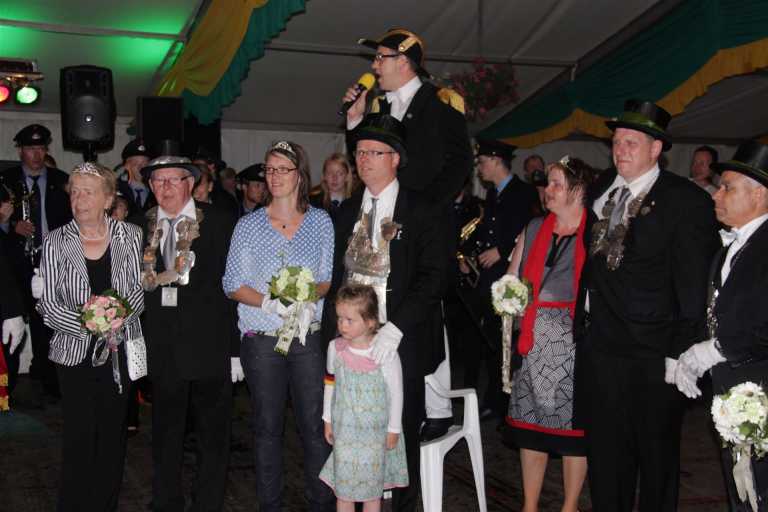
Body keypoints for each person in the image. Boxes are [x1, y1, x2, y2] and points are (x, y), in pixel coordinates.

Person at [576, 99, 720, 511]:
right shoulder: (603, 188)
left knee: (655, 460)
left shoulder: (684, 201)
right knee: (606, 458)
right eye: (616, 142)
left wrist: (680, 354)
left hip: (653, 353)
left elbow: (694, 285)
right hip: (602, 348)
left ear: (656, 149)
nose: (620, 150)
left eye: (631, 143)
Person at [344, 28, 473, 441]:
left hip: (422, 222)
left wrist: (427, 207)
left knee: (425, 307)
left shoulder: (440, 104)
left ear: (404, 62)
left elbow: (460, 162)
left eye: (380, 58)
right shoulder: (379, 104)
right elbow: (367, 153)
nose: (374, 66)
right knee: (386, 294)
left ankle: (437, 405)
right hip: (384, 218)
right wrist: (354, 120)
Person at [322, 114, 445, 512]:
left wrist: (397, 328)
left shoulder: (422, 209)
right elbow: (335, 277)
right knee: (349, 433)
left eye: (375, 152)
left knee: (401, 435)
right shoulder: (345, 212)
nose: (365, 159)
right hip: (351, 341)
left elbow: (435, 277)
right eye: (360, 152)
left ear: (396, 159)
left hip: (401, 339)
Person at [223, 140, 335, 512]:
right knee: (267, 428)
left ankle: (320, 503)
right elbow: (232, 284)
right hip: (261, 340)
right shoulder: (248, 225)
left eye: (282, 169)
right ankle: (270, 505)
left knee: (314, 426)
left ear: (299, 175)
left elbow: (326, 278)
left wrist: (305, 298)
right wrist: (270, 301)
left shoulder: (320, 222)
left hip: (306, 336)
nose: (274, 177)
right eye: (269, 169)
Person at [36, 162, 145, 511]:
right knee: (79, 437)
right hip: (74, 355)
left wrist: (116, 316)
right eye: (75, 192)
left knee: (113, 436)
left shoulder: (131, 236)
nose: (79, 199)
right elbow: (48, 305)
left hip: (119, 351)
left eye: (88, 192)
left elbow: (137, 293)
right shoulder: (55, 241)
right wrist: (90, 323)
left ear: (108, 199)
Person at [140, 141, 240, 512]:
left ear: (191, 183)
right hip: (163, 348)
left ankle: (208, 504)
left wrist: (235, 350)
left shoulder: (220, 222)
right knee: (165, 435)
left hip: (210, 348)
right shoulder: (140, 225)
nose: (165, 187)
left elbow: (234, 287)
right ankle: (165, 501)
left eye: (173, 180)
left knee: (213, 437)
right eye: (158, 181)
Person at [672, 140, 768, 511]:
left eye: (727, 187)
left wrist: (717, 349)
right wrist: (686, 355)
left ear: (758, 195)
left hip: (761, 389)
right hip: (730, 395)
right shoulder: (727, 247)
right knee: (741, 491)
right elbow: (717, 314)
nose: (716, 195)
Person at [505, 156, 595, 512]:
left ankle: (570, 506)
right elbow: (511, 278)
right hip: (532, 340)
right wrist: (507, 296)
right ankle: (529, 505)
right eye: (548, 183)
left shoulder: (595, 232)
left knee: (575, 433)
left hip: (575, 343)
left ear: (579, 189)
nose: (548, 190)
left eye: (557, 184)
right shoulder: (534, 227)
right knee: (531, 430)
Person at [465, 139, 538, 420]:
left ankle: (505, 403)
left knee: (507, 343)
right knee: (492, 343)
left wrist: (502, 249)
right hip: (491, 279)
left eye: (483, 162)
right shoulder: (493, 194)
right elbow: (489, 230)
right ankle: (495, 400)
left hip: (511, 279)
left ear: (496, 161)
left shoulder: (523, 192)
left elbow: (530, 230)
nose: (480, 168)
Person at [320, 284, 409, 511]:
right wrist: (327, 419)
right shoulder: (335, 348)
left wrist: (393, 429)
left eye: (350, 320)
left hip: (374, 436)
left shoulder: (384, 353)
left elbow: (396, 392)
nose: (342, 325)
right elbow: (330, 383)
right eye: (340, 318)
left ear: (370, 322)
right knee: (344, 491)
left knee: (372, 493)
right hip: (345, 432)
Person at [0, 124, 71, 403]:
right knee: (11, 326)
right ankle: (6, 389)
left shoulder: (61, 180)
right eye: (31, 148)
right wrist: (11, 226)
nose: (37, 154)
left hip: (51, 266)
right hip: (14, 268)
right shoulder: (5, 180)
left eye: (41, 148)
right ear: (20, 151)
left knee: (48, 328)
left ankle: (48, 385)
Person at [310, 153, 355, 222]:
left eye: (339, 173)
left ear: (347, 176)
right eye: (330, 173)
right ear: (324, 176)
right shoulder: (313, 203)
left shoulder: (355, 204)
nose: (334, 178)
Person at [117, 139, 156, 217]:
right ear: (126, 166)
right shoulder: (116, 189)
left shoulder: (157, 190)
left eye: (144, 163)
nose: (140, 167)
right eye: (135, 163)